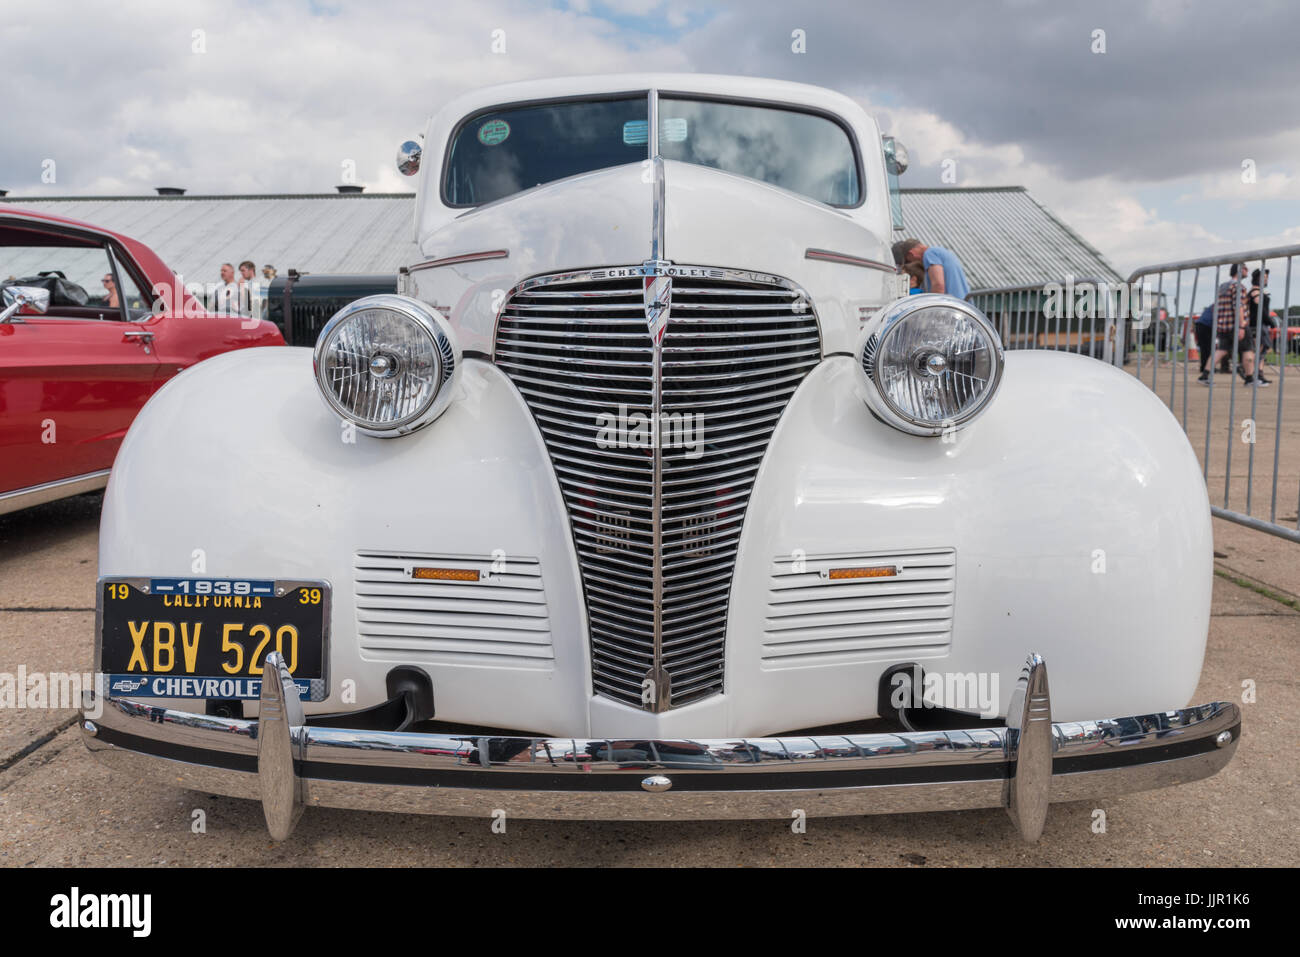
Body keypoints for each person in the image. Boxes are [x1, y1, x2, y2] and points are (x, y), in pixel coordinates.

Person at [1212, 263, 1267, 386]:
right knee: (1248, 350)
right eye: (1246, 269)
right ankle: (1249, 378)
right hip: (1237, 324)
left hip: (1224, 325)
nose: (1247, 271)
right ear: (1240, 270)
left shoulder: (1222, 286)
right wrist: (1241, 325)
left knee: (1220, 350)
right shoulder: (1239, 287)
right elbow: (1238, 307)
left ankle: (1205, 374)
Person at [892, 238, 970, 300]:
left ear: (911, 254)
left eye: (908, 261)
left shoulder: (930, 254)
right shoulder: (940, 252)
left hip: (952, 307)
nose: (912, 263)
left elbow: (938, 285)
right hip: (961, 304)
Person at [1247, 268, 1276, 380]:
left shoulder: (1258, 291)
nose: (1266, 280)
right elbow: (1261, 310)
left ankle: (1259, 373)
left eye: (1266, 277)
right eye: (1263, 277)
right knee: (1259, 349)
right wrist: (1270, 321)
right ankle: (1249, 370)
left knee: (1263, 349)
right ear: (1257, 278)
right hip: (1257, 325)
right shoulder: (1255, 292)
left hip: (1261, 324)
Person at [1194, 303, 1215, 383]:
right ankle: (1205, 368)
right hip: (1205, 326)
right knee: (1207, 348)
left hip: (1201, 325)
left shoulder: (1214, 305)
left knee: (1205, 348)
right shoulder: (1221, 305)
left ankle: (1204, 367)